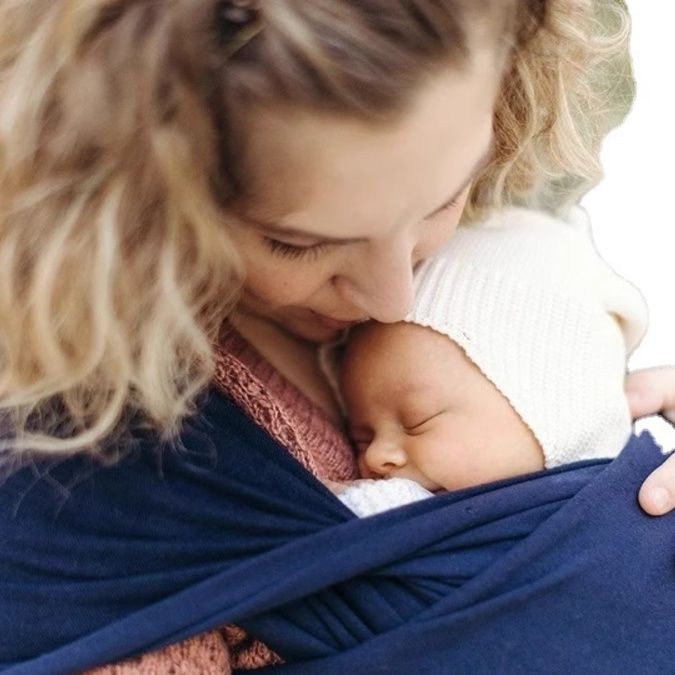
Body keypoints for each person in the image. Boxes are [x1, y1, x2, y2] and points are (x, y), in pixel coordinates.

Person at [1, 0, 675, 672]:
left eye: (445, 197)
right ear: (121, 201)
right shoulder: (72, 486)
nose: (392, 297)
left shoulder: (513, 254)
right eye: (299, 244)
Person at [330, 207, 649, 516]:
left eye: (417, 422)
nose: (375, 455)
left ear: (556, 410)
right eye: (361, 439)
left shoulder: (643, 499)